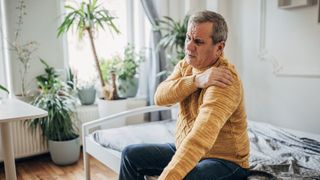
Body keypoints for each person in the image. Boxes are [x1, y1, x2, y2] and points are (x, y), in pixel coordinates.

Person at [119, 10, 249, 180]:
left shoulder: (224, 80)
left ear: (219, 48)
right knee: (130, 155)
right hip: (187, 148)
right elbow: (160, 97)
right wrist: (195, 81)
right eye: (188, 38)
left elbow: (200, 138)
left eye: (198, 42)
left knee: (189, 177)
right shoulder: (185, 66)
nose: (188, 46)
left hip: (225, 161)